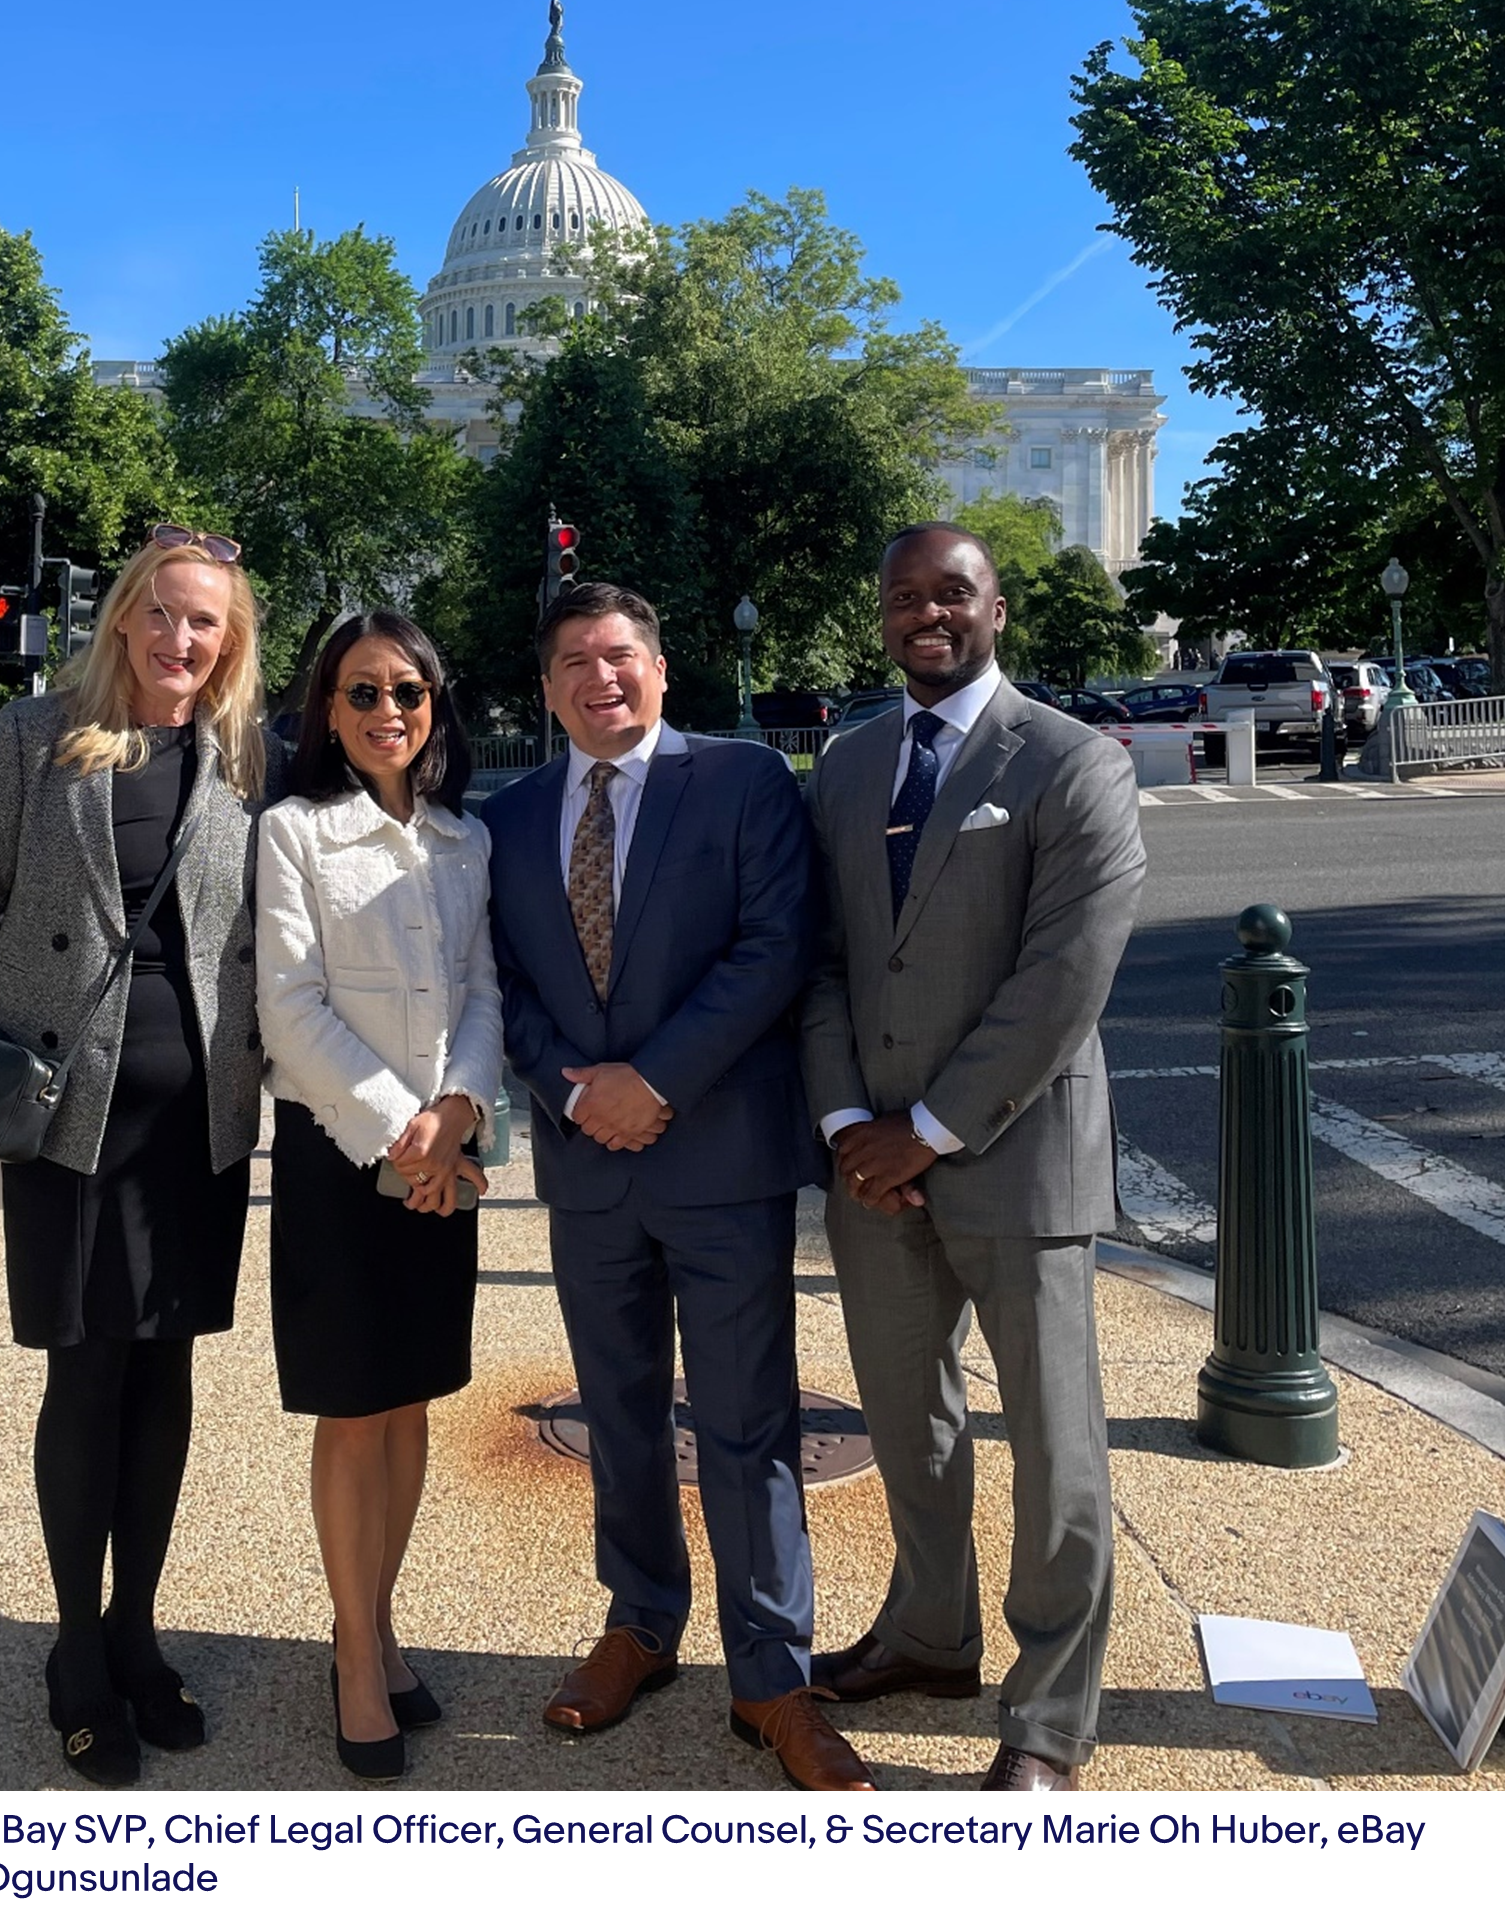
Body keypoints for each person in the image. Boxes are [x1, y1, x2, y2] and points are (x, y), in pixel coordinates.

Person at [481, 582, 874, 1792]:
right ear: (546, 688)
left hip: (721, 1158)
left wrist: (653, 1079)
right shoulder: (509, 816)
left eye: (620, 657)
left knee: (750, 1421)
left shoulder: (744, 780)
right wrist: (571, 1086)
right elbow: (498, 978)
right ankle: (641, 1621)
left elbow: (775, 948)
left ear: (661, 668)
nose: (600, 679)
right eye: (574, 663)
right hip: (586, 1163)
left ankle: (773, 1674)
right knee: (618, 1406)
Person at [0, 522, 284, 1787]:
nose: (181, 639)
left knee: (167, 1375)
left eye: (208, 623)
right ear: (126, 615)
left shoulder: (248, 754)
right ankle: (75, 1648)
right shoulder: (35, 736)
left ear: (228, 643)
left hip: (196, 1125)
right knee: (86, 1377)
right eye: (163, 613)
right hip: (64, 1116)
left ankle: (139, 1627)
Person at [800, 522, 1146, 1792]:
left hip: (1014, 1153)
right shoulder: (844, 765)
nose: (926, 615)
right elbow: (824, 960)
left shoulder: (1070, 761)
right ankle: (929, 1634)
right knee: (909, 1419)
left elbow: (1064, 975)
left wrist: (929, 1128)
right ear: (883, 616)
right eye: (904, 597)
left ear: (997, 609)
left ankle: (1050, 1715)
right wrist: (848, 1124)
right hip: (868, 1167)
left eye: (953, 593)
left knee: (1056, 1446)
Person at [255, 610, 502, 1781]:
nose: (387, 710)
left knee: (410, 1405)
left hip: (440, 1160)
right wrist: (400, 1129)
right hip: (346, 1158)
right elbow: (290, 1008)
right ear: (326, 709)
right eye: (360, 692)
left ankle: (382, 1614)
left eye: (408, 689)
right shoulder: (296, 832)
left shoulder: (466, 839)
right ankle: (354, 1649)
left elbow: (484, 990)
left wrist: (458, 1111)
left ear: (435, 703)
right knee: (355, 1412)